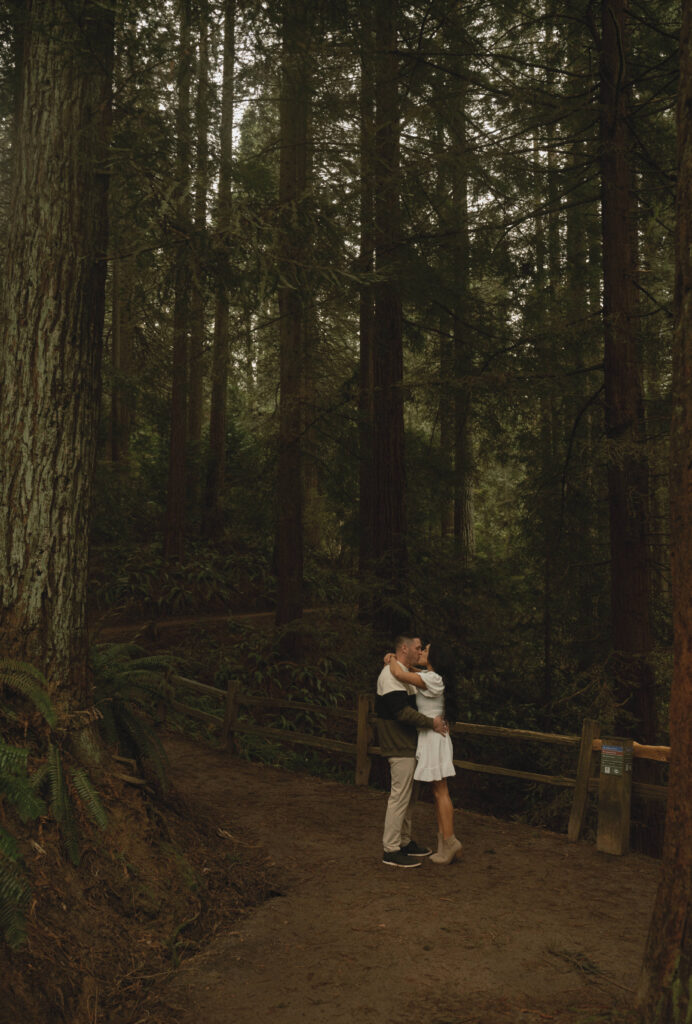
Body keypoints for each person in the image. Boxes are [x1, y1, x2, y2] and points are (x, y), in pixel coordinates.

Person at [384, 641, 462, 865]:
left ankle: (450, 841)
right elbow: (415, 672)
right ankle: (445, 844)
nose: (421, 652)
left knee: (441, 792)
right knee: (439, 791)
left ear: (434, 657)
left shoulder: (432, 679)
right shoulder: (432, 676)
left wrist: (391, 659)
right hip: (432, 737)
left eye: (425, 650)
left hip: (433, 738)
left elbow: (401, 674)